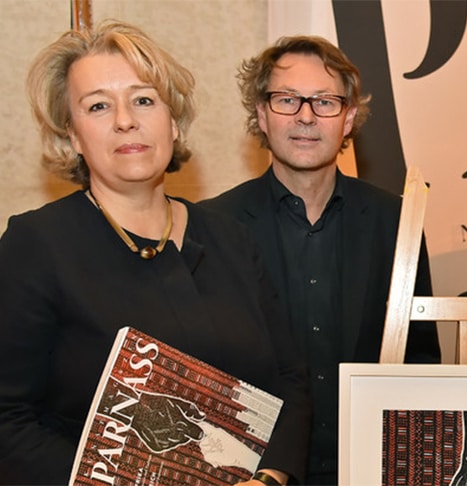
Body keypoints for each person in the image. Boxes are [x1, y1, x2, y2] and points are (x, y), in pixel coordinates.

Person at [0, 21, 310, 486]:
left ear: (174, 121)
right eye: (98, 105)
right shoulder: (37, 245)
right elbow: (7, 418)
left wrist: (270, 478)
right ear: (73, 135)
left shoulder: (233, 240)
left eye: (144, 100)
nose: (125, 120)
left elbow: (290, 378)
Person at [202, 35, 441, 485]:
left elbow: (421, 356)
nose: (306, 116)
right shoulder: (213, 226)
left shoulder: (397, 221)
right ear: (261, 114)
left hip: (373, 469)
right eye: (287, 99)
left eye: (325, 102)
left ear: (348, 119)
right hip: (253, 474)